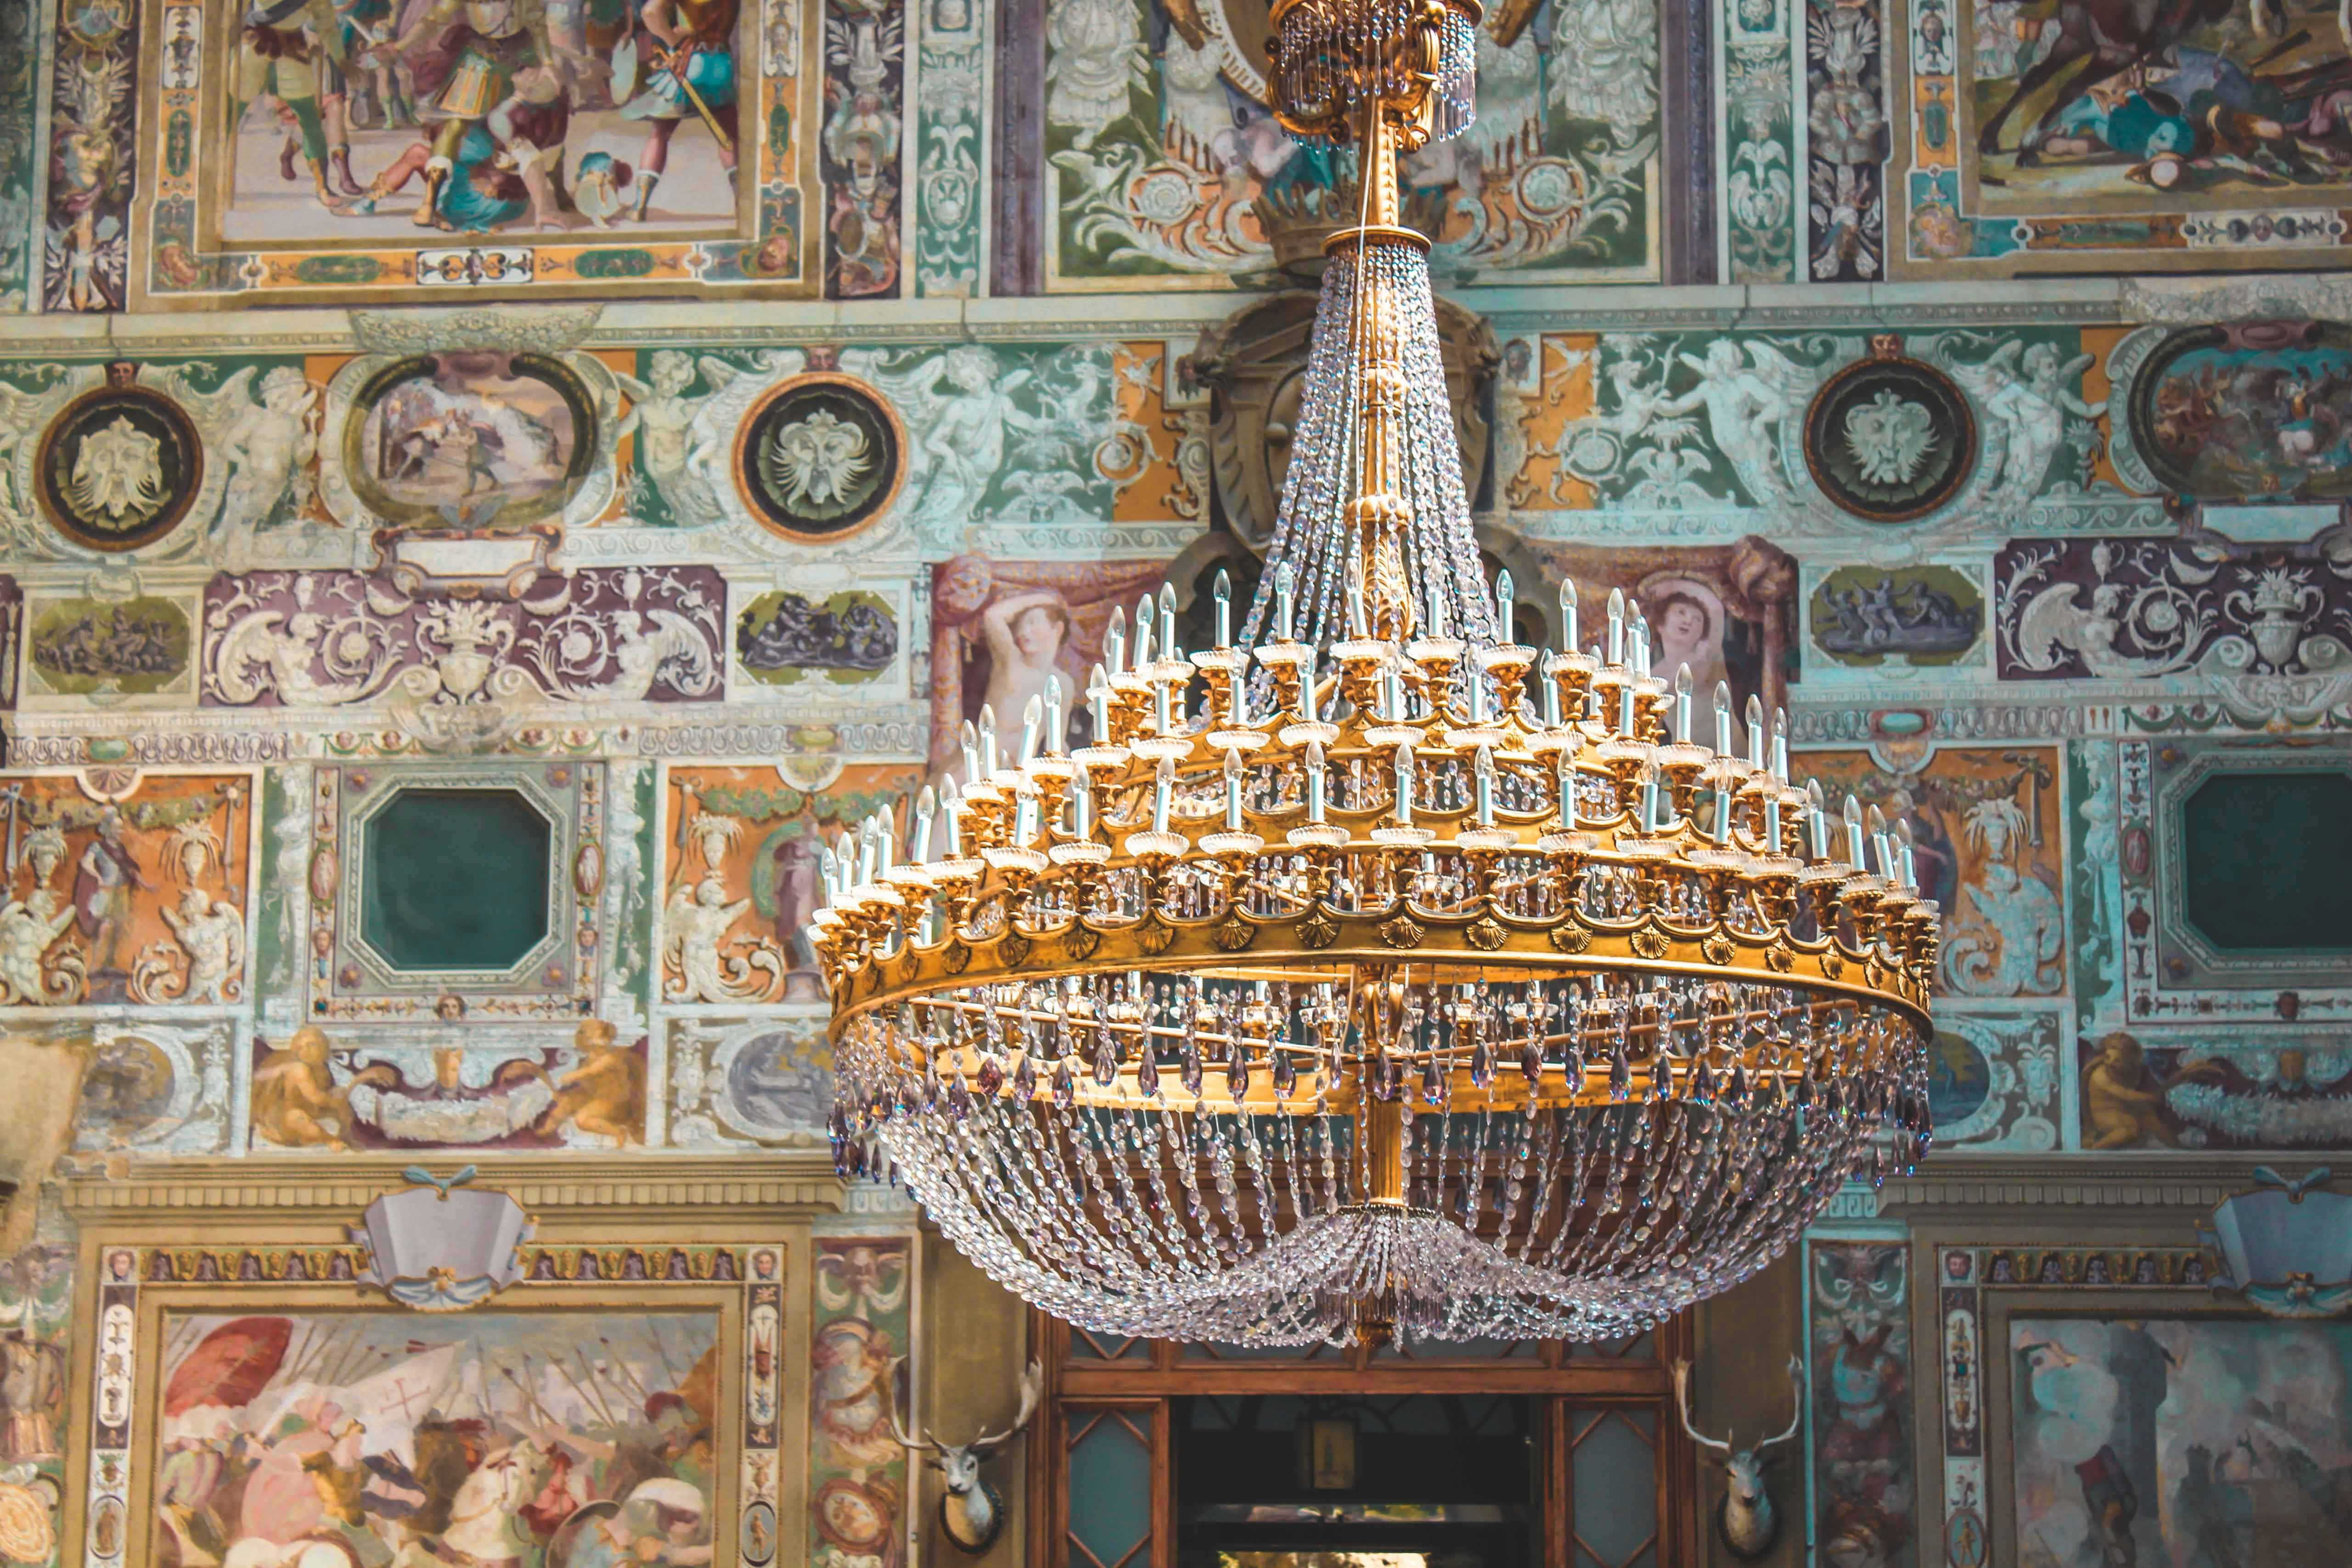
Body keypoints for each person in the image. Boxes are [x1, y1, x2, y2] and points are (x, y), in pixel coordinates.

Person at [622, 0, 741, 221]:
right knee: (727, 136)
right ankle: (741, 204)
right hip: (721, 63)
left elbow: (650, 11)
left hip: (691, 61)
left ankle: (640, 206)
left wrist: (674, 41)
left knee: (660, 134)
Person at [976, 589, 1073, 752]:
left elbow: (1057, 743)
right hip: (981, 769)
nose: (1023, 632)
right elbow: (992, 616)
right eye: (1020, 627)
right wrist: (1040, 599)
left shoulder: (1063, 684)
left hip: (1021, 773)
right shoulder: (1010, 661)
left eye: (1033, 623)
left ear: (1057, 629)